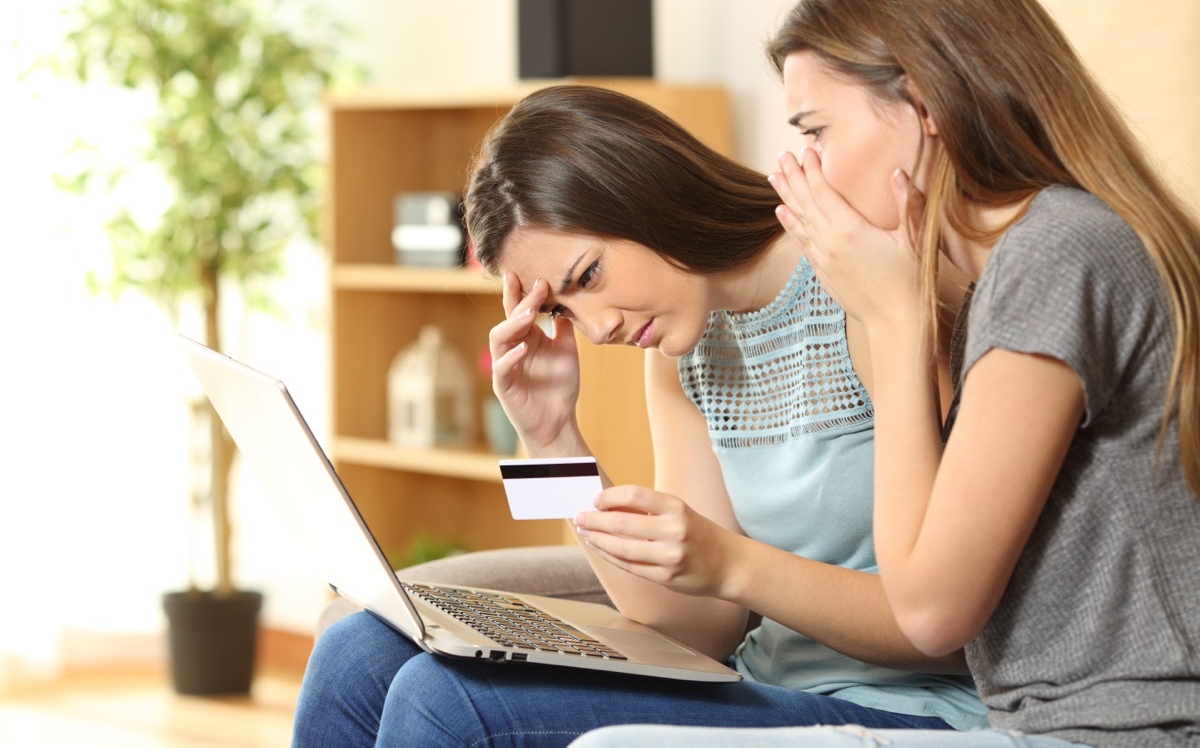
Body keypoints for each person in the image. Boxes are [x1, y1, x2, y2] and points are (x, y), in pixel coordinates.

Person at [567, 0, 1200, 746]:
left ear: (925, 104)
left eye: (816, 131)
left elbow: (929, 612)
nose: (802, 168)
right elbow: (700, 623)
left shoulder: (1056, 255)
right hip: (1033, 724)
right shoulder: (1008, 269)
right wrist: (551, 439)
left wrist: (895, 322)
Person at [290, 83, 987, 747]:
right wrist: (552, 438)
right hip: (760, 686)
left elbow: (950, 622)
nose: (597, 329)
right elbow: (695, 627)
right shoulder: (684, 352)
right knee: (355, 652)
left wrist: (733, 564)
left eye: (588, 276)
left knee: (442, 703)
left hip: (906, 708)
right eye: (562, 309)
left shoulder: (863, 292)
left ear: (646, 193)